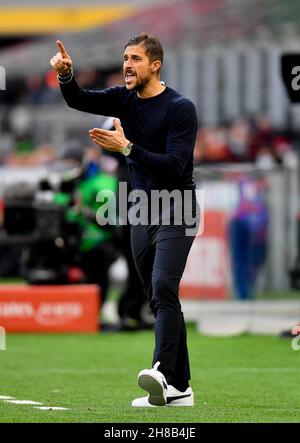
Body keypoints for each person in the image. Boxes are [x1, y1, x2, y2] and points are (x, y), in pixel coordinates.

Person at [50, 33, 199, 407]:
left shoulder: (181, 108)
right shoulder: (123, 99)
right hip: (140, 211)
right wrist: (67, 75)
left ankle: (162, 372)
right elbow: (78, 99)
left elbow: (174, 166)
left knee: (164, 286)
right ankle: (180, 387)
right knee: (158, 295)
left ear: (155, 65)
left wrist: (127, 147)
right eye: (124, 58)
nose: (127, 65)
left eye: (134, 59)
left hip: (177, 207)